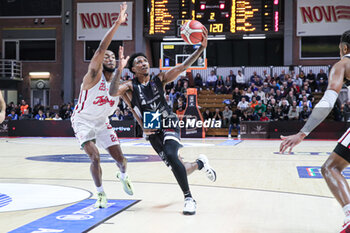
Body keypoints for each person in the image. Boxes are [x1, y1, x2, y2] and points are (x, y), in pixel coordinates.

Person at [115, 27, 216, 215]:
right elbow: (113, 93)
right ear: (133, 69)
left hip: (167, 118)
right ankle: (201, 163)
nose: (144, 63)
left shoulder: (159, 79)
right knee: (180, 168)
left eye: (145, 60)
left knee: (171, 154)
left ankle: (188, 198)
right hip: (151, 123)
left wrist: (201, 49)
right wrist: (118, 69)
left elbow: (183, 67)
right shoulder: (129, 86)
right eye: (139, 62)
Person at [279, 30, 350, 233]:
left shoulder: (343, 64)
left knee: (331, 168)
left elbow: (327, 102)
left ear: (344, 48)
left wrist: (302, 133)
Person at [70, 2, 133, 209]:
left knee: (121, 160)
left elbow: (131, 104)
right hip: (83, 121)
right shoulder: (93, 76)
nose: (109, 57)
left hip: (102, 122)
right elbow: (101, 48)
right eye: (106, 56)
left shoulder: (119, 85)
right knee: (95, 156)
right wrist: (117, 23)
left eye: (113, 57)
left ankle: (122, 175)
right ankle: (100, 194)